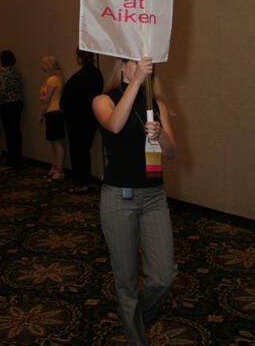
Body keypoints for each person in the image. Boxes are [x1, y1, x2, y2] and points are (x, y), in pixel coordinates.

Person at [92, 56, 177, 346]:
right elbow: (115, 125)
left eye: (145, 63)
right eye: (134, 61)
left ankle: (133, 317)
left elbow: (172, 151)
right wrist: (137, 82)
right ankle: (136, 336)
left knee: (163, 278)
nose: (142, 65)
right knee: (127, 282)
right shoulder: (103, 99)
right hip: (119, 198)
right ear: (121, 65)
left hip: (154, 196)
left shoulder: (157, 103)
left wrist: (161, 135)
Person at [59, 49, 103, 194]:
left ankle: (80, 183)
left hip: (76, 121)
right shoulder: (97, 75)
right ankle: (86, 180)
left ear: (80, 59)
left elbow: (64, 100)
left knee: (77, 152)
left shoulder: (77, 77)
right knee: (85, 151)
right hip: (91, 119)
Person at [0, 50, 24, 168]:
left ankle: (12, 161)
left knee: (9, 133)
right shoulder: (16, 71)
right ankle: (18, 159)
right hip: (18, 103)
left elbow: (1, 90)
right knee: (16, 132)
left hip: (7, 104)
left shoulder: (2, 72)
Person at [40, 55, 65, 181]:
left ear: (49, 65)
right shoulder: (52, 79)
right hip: (52, 112)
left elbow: (46, 100)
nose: (42, 66)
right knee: (53, 143)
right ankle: (54, 167)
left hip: (54, 112)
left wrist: (42, 97)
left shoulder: (52, 80)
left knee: (57, 143)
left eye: (44, 64)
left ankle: (59, 170)